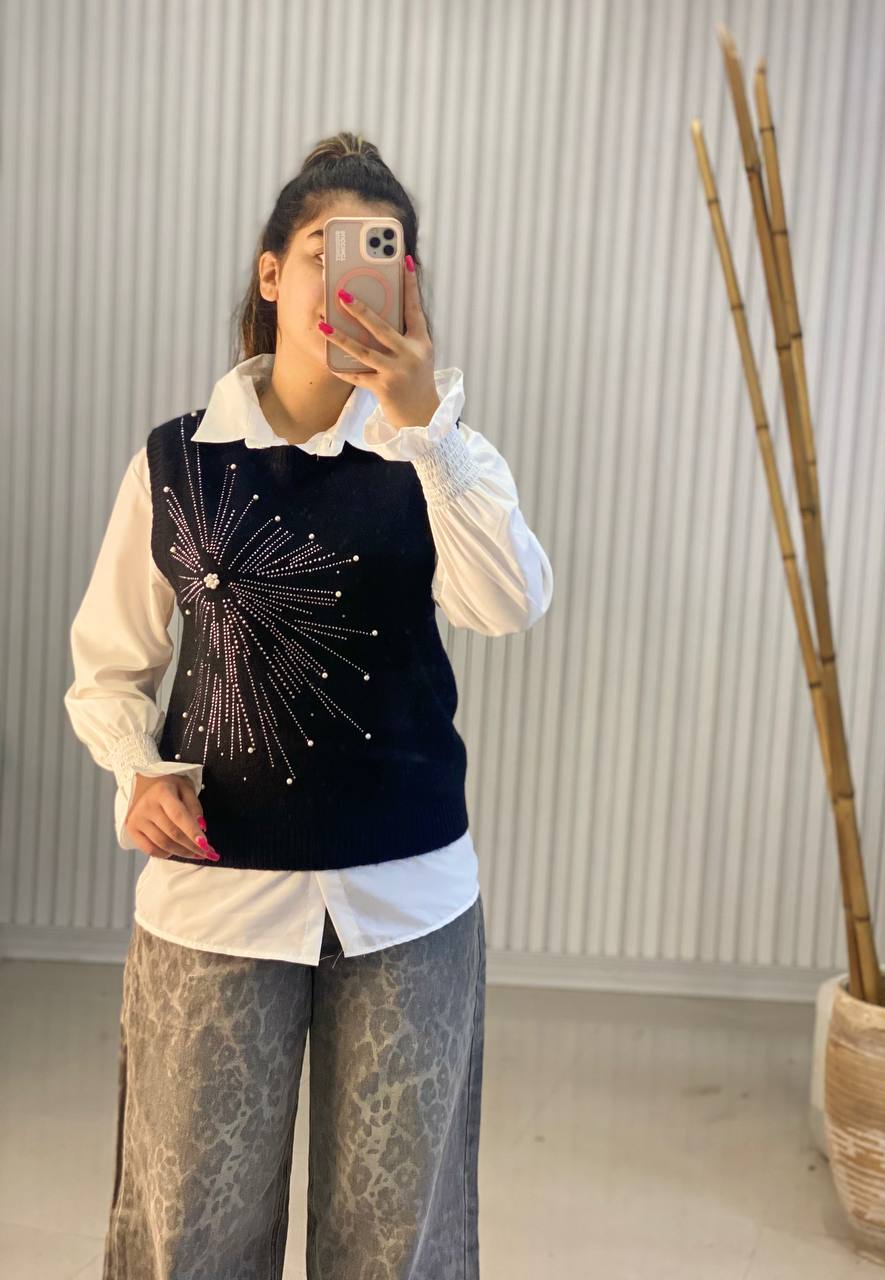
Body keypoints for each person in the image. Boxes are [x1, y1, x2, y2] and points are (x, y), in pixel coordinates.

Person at [63, 130, 553, 1279]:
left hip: (409, 899)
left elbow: (509, 602)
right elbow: (109, 667)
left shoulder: (440, 457)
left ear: (406, 286)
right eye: (324, 253)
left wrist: (427, 428)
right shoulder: (179, 462)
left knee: (398, 1244)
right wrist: (137, 768)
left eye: (379, 258)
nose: (347, 279)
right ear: (273, 272)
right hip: (213, 902)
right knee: (190, 1231)